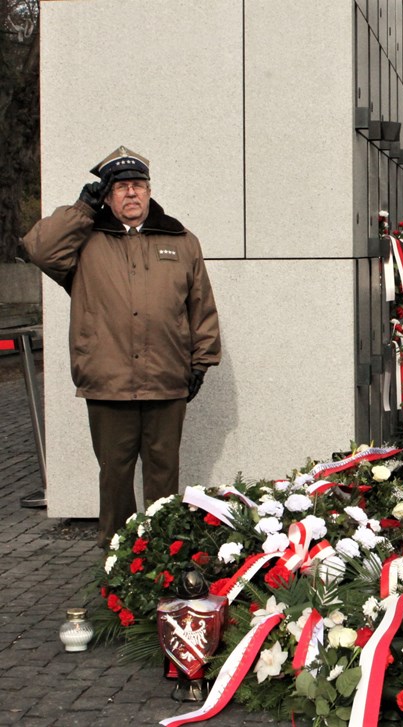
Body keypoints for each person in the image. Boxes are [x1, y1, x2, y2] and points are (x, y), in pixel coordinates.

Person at [23, 146, 221, 546]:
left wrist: (202, 361)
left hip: (166, 377)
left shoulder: (180, 240)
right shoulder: (84, 243)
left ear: (149, 191)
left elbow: (201, 303)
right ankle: (116, 554)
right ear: (107, 196)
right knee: (114, 473)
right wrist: (81, 209)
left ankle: (161, 553)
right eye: (121, 187)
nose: (131, 194)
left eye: (138, 186)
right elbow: (38, 249)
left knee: (164, 472)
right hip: (107, 379)